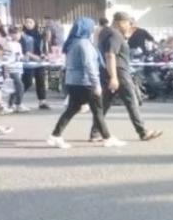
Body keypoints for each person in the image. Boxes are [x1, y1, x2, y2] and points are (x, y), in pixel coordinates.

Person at [47, 17, 124, 149]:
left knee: (72, 109)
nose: (93, 30)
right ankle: (108, 137)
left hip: (72, 81)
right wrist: (96, 84)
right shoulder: (84, 43)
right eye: (92, 28)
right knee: (98, 110)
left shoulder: (71, 42)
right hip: (85, 82)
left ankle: (55, 135)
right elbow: (89, 65)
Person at [90, 12, 162, 142]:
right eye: (129, 23)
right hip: (119, 73)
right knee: (131, 102)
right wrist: (114, 77)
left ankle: (95, 132)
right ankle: (143, 132)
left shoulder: (106, 33)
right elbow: (110, 55)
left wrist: (126, 37)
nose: (130, 25)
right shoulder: (115, 35)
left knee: (105, 104)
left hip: (109, 72)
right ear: (120, 22)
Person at [20, 17, 50, 110]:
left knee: (41, 81)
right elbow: (23, 50)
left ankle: (42, 101)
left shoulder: (39, 35)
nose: (28, 24)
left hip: (39, 62)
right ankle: (16, 99)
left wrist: (44, 55)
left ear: (34, 23)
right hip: (28, 61)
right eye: (27, 22)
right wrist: (34, 57)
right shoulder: (22, 35)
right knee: (27, 82)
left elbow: (43, 47)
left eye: (30, 22)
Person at [5, 26, 25, 112]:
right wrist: (6, 68)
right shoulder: (8, 44)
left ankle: (10, 104)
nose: (17, 35)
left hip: (18, 67)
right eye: (14, 33)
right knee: (20, 86)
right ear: (10, 34)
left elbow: (19, 56)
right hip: (11, 67)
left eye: (18, 33)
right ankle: (18, 104)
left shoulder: (18, 44)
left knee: (14, 87)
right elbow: (5, 57)